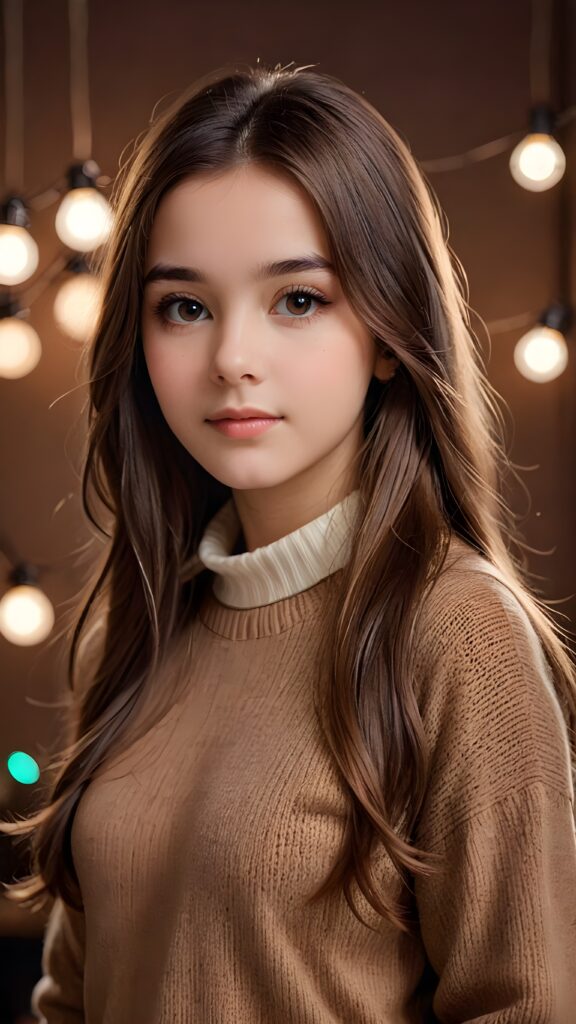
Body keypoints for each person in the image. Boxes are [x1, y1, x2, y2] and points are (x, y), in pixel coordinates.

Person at [1, 60, 575, 1024]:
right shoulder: (136, 631)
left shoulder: (459, 634)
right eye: (184, 305)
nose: (231, 358)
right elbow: (74, 999)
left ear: (390, 333)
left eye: (297, 299)